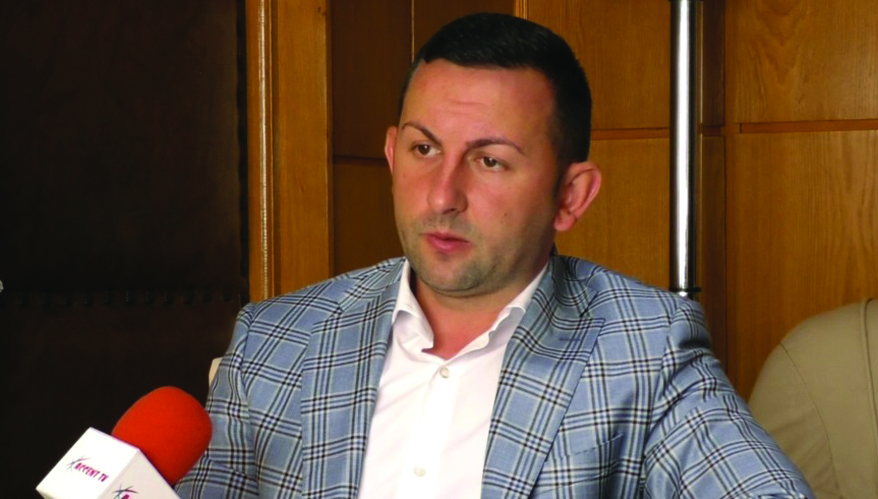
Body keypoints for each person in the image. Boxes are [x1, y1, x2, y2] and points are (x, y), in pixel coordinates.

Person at [176, 13, 811, 498]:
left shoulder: (646, 349)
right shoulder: (275, 342)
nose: (442, 195)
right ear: (392, 156)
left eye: (489, 161)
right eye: (425, 150)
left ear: (570, 196)